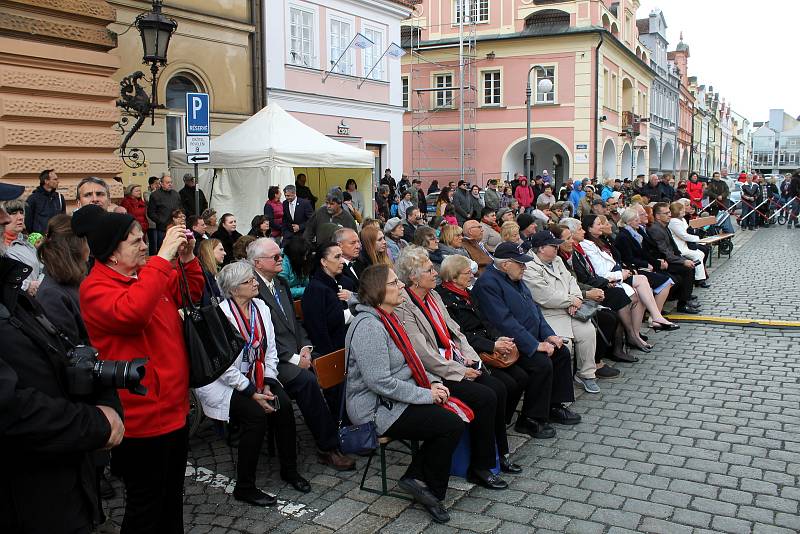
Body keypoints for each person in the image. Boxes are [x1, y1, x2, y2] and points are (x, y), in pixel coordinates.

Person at [0, 187, 125, 534]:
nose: (6, 218)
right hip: (29, 496)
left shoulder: (11, 291)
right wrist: (95, 423)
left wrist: (102, 391)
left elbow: (65, 354)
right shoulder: (50, 291)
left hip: (59, 482)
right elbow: (9, 407)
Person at [75, 204, 203, 533]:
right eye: (135, 241)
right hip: (141, 419)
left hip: (174, 410)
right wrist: (162, 260)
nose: (145, 245)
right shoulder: (96, 288)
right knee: (145, 505)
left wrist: (186, 259)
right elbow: (134, 314)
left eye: (144, 238)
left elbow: (192, 291)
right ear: (111, 254)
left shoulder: (147, 275)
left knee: (173, 496)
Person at [346, 265, 463, 523]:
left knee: (453, 414)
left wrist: (432, 382)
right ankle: (426, 486)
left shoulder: (389, 317)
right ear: (378, 290)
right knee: (449, 424)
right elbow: (379, 382)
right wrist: (426, 395)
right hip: (374, 407)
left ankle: (418, 477)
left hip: (395, 397)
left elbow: (413, 360)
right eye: (394, 282)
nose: (401, 286)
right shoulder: (369, 326)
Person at [394, 246, 513, 489]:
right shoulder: (404, 304)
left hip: (453, 359)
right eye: (429, 270)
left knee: (499, 388)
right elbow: (423, 354)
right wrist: (460, 371)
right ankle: (480, 467)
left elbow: (455, 333)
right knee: (486, 396)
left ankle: (500, 454)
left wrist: (470, 359)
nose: (435, 273)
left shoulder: (433, 296)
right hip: (433, 374)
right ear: (414, 277)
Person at [195, 261, 309, 505]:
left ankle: (289, 470)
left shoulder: (261, 308)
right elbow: (223, 366)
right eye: (249, 281)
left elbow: (270, 351)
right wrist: (252, 392)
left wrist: (267, 383)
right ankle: (245, 486)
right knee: (255, 416)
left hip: (259, 375)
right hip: (227, 383)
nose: (256, 283)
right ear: (235, 289)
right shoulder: (221, 315)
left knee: (284, 405)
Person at [248, 238, 356, 471]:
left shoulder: (280, 283)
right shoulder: (251, 288)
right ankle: (327, 447)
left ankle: (345, 425)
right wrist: (295, 358)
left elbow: (295, 323)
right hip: (273, 359)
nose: (281, 260)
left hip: (297, 349)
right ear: (257, 263)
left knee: (332, 362)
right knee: (306, 381)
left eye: (281, 256)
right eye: (275, 257)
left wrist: (306, 346)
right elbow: (261, 335)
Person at [472, 242, 581, 439]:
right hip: (510, 342)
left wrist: (549, 334)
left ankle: (553, 405)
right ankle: (530, 418)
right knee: (541, 364)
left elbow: (534, 310)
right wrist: (534, 345)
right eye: (520, 263)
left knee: (561, 352)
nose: (524, 267)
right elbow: (504, 322)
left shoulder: (514, 276)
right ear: (505, 264)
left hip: (530, 334)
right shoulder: (488, 283)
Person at [437, 254, 531, 432]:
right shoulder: (445, 300)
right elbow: (461, 335)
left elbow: (486, 321)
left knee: (521, 377)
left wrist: (498, 338)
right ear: (453, 276)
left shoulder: (468, 293)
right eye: (467, 273)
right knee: (504, 385)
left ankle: (500, 421)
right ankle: (493, 427)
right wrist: (492, 346)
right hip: (473, 351)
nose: (472, 276)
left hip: (486, 344)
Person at [522, 231, 600, 393]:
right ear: (541, 248)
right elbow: (544, 296)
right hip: (549, 314)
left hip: (572, 309)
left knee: (588, 332)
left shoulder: (557, 260)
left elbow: (571, 281)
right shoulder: (530, 266)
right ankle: (561, 388)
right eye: (553, 245)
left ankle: (586, 374)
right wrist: (571, 300)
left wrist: (576, 298)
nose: (557, 247)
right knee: (565, 344)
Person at [646, 204, 701, 313]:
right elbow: (665, 252)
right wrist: (683, 261)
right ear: (657, 216)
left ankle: (685, 298)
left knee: (690, 266)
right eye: (666, 213)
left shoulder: (663, 226)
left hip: (670, 259)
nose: (669, 215)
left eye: (669, 212)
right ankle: (682, 304)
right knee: (687, 269)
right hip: (663, 261)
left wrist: (681, 258)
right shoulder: (656, 229)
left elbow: (673, 248)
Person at [302, 241, 350, 357]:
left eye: (342, 256)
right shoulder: (316, 290)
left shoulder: (340, 282)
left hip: (346, 346)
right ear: (323, 262)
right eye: (337, 257)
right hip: (334, 354)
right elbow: (319, 332)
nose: (342, 261)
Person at [2, 199, 44, 296]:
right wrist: (26, 285)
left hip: (34, 302)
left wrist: (39, 284)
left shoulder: (27, 242)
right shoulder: (2, 246)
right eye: (13, 213)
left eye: (21, 213)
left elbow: (42, 268)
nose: (20, 217)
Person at [668, 202, 710, 287]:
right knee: (699, 254)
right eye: (681, 209)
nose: (684, 210)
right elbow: (683, 235)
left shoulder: (682, 219)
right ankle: (699, 279)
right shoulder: (674, 222)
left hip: (685, 244)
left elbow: (687, 231)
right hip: (679, 247)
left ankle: (699, 278)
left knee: (700, 253)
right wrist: (697, 238)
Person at [146, 173, 181, 251]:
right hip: (162, 228)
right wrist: (161, 221)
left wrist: (179, 219)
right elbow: (151, 212)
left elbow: (181, 208)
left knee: (175, 249)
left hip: (175, 227)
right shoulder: (155, 195)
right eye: (167, 182)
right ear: (161, 184)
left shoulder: (176, 194)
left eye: (171, 182)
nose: (170, 184)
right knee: (163, 249)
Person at [25, 169, 65, 234]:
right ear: (46, 181)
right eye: (55, 179)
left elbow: (63, 219)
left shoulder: (60, 197)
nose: (58, 181)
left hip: (57, 238)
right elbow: (28, 221)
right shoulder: (33, 198)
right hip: (39, 240)